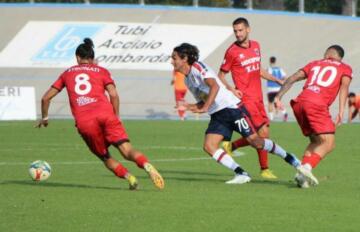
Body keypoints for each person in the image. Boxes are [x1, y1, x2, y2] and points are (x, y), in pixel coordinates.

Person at [171, 42, 318, 185]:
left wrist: (205, 107)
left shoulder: (198, 67)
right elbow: (203, 101)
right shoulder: (188, 80)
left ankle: (294, 161)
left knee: (256, 141)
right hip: (218, 114)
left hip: (232, 108)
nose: (172, 62)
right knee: (209, 146)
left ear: (185, 59)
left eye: (175, 58)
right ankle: (241, 173)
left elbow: (214, 86)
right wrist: (189, 106)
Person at [36, 38, 164, 190]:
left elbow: (45, 98)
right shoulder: (102, 71)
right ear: (92, 58)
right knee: (127, 150)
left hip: (85, 122)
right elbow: (114, 95)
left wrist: (45, 118)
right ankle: (146, 164)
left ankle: (130, 178)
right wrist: (116, 117)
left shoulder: (67, 74)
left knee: (105, 157)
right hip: (106, 115)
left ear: (77, 57)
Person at [275, 45, 352, 188]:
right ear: (339, 57)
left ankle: (301, 176)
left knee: (316, 141)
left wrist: (278, 97)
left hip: (299, 103)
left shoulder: (314, 64)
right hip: (316, 104)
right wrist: (341, 111)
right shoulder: (345, 68)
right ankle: (306, 168)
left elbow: (292, 78)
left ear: (327, 54)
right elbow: (344, 88)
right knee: (329, 143)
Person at [218, 17, 283, 179]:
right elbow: (220, 75)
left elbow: (258, 70)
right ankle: (265, 169)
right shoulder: (232, 51)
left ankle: (232, 146)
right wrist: (231, 89)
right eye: (235, 31)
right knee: (263, 133)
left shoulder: (256, 46)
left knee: (260, 135)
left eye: (240, 30)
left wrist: (275, 79)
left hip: (259, 98)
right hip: (246, 99)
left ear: (248, 29)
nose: (238, 34)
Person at [267, 56, 288, 122]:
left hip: (271, 88)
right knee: (278, 101)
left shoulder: (269, 69)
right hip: (278, 88)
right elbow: (285, 77)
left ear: (270, 61)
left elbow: (267, 76)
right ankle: (284, 112)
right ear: (275, 61)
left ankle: (271, 118)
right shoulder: (279, 69)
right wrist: (280, 81)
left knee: (270, 103)